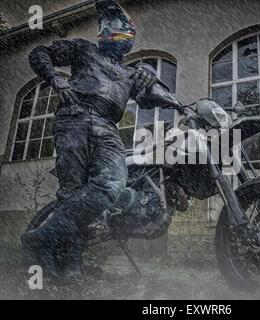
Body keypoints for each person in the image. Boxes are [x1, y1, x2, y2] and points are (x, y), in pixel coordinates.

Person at [21, 0, 159, 282]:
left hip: (107, 127)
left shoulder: (130, 73)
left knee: (112, 183)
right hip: (75, 117)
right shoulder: (84, 49)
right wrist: (55, 80)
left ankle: (39, 238)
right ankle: (69, 265)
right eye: (107, 25)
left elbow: (153, 95)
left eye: (118, 26)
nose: (112, 30)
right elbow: (39, 53)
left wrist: (152, 73)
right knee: (72, 195)